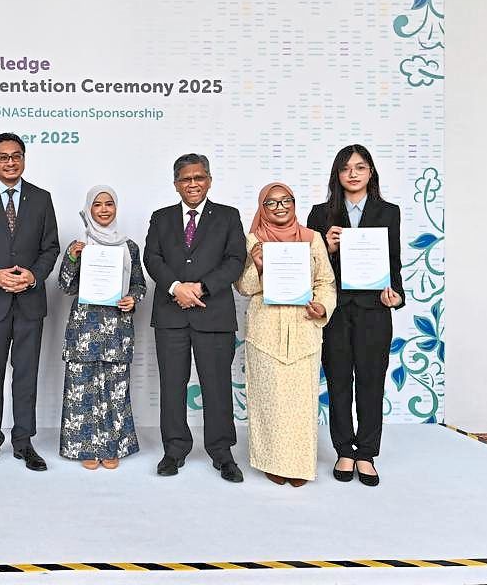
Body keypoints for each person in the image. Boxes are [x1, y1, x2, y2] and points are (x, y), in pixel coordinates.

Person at [0, 133, 60, 472]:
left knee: (26, 374)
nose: (10, 162)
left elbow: (51, 248)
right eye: (3, 157)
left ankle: (23, 442)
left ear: (24, 159)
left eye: (16, 156)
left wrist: (33, 276)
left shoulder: (42, 199)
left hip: (30, 302)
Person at [143, 153, 246, 482]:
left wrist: (200, 288)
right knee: (172, 386)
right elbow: (152, 257)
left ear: (209, 180)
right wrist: (176, 288)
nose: (193, 184)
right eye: (186, 179)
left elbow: (235, 259)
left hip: (213, 313)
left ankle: (222, 452)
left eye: (199, 177)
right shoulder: (161, 218)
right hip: (171, 315)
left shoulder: (228, 216)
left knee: (217, 386)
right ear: (176, 184)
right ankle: (174, 450)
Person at [307, 145, 404, 487]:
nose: (353, 173)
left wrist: (396, 294)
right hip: (335, 311)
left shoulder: (389, 211)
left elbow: (393, 261)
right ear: (337, 174)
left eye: (360, 167)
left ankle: (366, 453)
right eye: (346, 168)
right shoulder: (320, 214)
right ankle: (343, 449)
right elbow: (312, 270)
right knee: (337, 383)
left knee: (371, 381)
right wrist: (328, 249)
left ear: (371, 172)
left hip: (375, 311)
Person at [235, 183, 335, 486]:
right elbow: (243, 286)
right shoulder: (254, 240)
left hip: (304, 329)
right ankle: (272, 461)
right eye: (271, 203)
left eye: (285, 201)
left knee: (301, 402)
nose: (279, 207)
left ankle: (299, 464)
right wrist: (259, 265)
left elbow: (326, 282)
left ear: (294, 203)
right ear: (261, 208)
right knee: (270, 400)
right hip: (266, 332)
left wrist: (323, 306)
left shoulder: (312, 239)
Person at [57, 186, 145, 469]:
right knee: (82, 391)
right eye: (98, 205)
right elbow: (65, 286)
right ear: (88, 209)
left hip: (117, 329)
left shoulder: (130, 247)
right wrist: (71, 257)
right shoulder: (80, 245)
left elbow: (139, 284)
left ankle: (112, 448)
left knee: (115, 391)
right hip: (84, 329)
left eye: (109, 204)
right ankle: (86, 449)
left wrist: (134, 298)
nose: (104, 209)